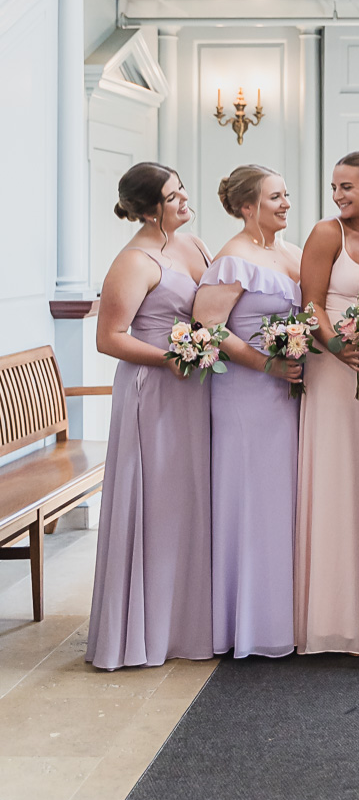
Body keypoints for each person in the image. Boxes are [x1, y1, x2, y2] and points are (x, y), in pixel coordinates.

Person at [87, 163, 213, 670]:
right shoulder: (134, 261)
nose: (184, 200)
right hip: (155, 392)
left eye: (182, 190)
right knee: (156, 502)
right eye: (173, 196)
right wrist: (174, 358)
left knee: (190, 500)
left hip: (196, 389)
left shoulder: (196, 245)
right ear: (149, 209)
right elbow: (109, 338)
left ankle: (187, 621)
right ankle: (144, 630)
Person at [194, 165, 303, 659]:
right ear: (247, 207)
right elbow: (209, 331)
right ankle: (245, 623)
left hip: (287, 396)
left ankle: (283, 614)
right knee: (249, 498)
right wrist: (268, 365)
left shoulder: (290, 253)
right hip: (245, 395)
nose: (285, 203)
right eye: (275, 197)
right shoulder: (231, 260)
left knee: (281, 501)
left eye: (285, 195)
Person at [294, 152, 359, 656]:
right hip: (334, 369)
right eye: (335, 187)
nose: (338, 196)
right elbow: (310, 302)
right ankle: (335, 617)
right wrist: (335, 344)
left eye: (348, 187)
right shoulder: (326, 234)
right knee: (338, 479)